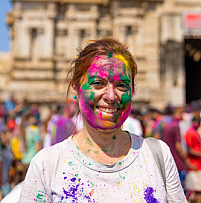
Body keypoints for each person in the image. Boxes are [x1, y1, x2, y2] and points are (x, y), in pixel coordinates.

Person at [19, 38, 186, 202]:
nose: (111, 96)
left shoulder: (157, 155)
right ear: (76, 88)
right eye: (98, 83)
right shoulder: (46, 165)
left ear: (132, 91)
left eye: (122, 85)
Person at [163, 107, 195, 191]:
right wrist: (186, 160)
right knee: (181, 190)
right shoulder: (176, 126)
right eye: (181, 113)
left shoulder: (168, 125)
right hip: (178, 162)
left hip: (169, 160)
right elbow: (178, 146)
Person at [185, 116, 201, 201]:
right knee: (195, 191)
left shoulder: (194, 132)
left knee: (198, 191)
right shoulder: (190, 133)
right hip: (194, 165)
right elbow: (189, 150)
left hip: (198, 164)